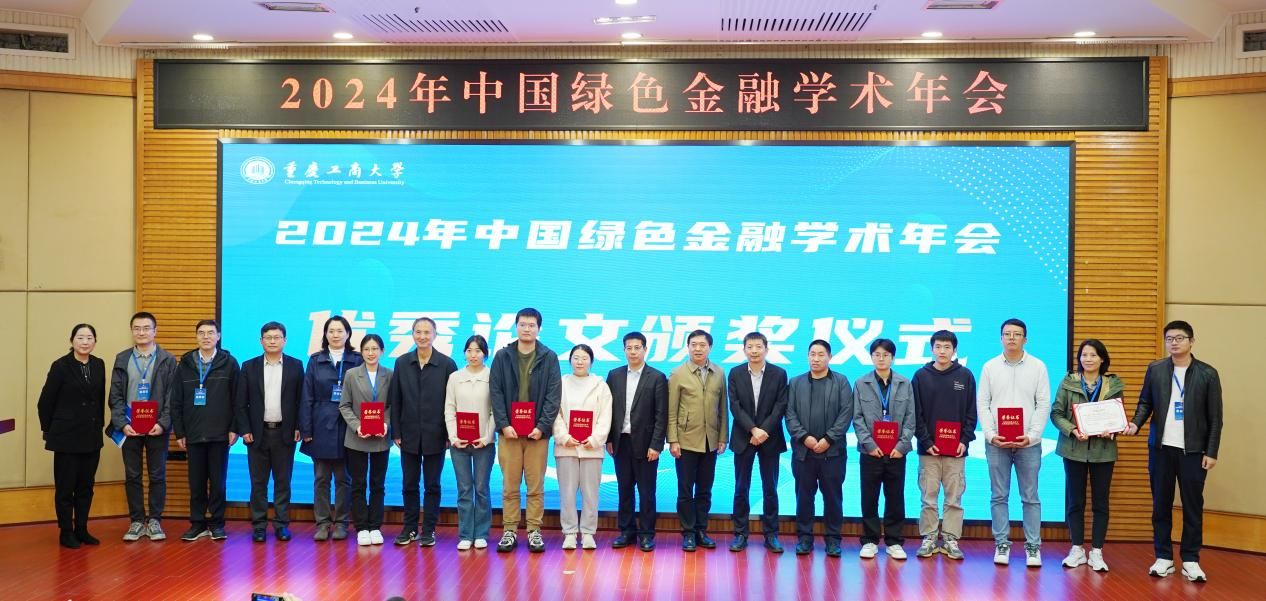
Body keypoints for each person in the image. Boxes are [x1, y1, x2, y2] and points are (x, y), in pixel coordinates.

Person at [1127, 320, 1222, 582]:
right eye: (1169, 338)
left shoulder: (1207, 373)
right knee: (1160, 504)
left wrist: (1211, 451)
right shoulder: (1156, 369)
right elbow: (1145, 403)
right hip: (1161, 449)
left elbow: (1215, 418)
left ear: (1191, 341)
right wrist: (1135, 423)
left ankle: (1190, 559)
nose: (1174, 343)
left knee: (1192, 506)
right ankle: (1164, 557)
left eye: (1180, 338)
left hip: (1194, 451)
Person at [977, 318, 1050, 567]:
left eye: (1016, 334)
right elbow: (983, 403)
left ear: (1025, 339)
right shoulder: (989, 367)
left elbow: (1043, 404)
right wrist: (990, 434)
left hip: (1029, 444)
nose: (1011, 338)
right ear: (1000, 338)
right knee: (999, 495)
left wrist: (1033, 435)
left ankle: (1033, 546)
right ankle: (1002, 543)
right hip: (996, 443)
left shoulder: (1038, 367)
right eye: (1007, 334)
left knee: (1030, 496)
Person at [490, 308, 561, 554]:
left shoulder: (549, 357)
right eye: (522, 324)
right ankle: (509, 530)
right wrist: (503, 424)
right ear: (516, 326)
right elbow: (495, 392)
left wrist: (542, 427)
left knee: (535, 486)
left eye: (531, 325)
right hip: (509, 433)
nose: (527, 329)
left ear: (539, 328)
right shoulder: (502, 356)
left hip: (537, 436)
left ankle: (534, 530)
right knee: (510, 486)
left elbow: (553, 395)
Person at [1051, 339, 1124, 572]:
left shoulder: (1113, 384)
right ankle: (1076, 549)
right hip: (1073, 450)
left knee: (1101, 502)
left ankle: (1097, 551)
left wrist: (1112, 430)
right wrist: (1072, 429)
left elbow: (1118, 417)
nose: (1088, 359)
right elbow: (1056, 413)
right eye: (1084, 355)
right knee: (1075, 501)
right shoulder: (1068, 382)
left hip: (1104, 452)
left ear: (1102, 359)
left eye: (1093, 355)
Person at [108, 311, 177, 543]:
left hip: (157, 427)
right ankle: (137, 521)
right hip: (130, 426)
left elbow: (172, 397)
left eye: (146, 328)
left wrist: (163, 423)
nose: (141, 332)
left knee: (157, 475)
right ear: (132, 331)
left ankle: (155, 520)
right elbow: (115, 396)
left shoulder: (167, 359)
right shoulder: (122, 358)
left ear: (155, 331)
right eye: (137, 328)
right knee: (133, 475)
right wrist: (122, 424)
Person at [388, 317, 457, 547]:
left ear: (435, 335)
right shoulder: (402, 363)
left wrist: (449, 434)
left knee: (432, 485)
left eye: (427, 332)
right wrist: (396, 432)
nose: (423, 336)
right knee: (409, 484)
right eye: (418, 332)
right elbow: (395, 399)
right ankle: (409, 528)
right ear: (412, 334)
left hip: (436, 434)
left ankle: (428, 530)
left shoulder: (446, 364)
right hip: (408, 434)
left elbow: (452, 403)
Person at [235, 321, 304, 543]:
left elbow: (301, 400)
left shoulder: (296, 365)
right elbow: (240, 402)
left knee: (283, 482)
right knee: (258, 483)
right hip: (257, 434)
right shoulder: (249, 366)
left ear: (285, 340)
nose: (272, 341)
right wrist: (244, 429)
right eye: (268, 337)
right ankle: (259, 526)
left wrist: (298, 426)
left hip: (285, 433)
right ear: (261, 341)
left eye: (277, 337)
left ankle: (282, 525)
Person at [172, 319, 241, 542]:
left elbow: (238, 400)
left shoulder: (229, 363)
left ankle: (217, 523)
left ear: (218, 336)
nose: (206, 337)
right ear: (196, 337)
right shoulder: (185, 364)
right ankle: (197, 523)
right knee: (196, 483)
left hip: (220, 433)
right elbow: (176, 401)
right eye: (201, 333)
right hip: (193, 433)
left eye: (211, 333)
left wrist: (234, 428)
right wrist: (180, 432)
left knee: (218, 482)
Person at [38, 323, 106, 549]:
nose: (85, 342)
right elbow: (45, 402)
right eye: (80, 337)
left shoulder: (99, 364)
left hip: (91, 437)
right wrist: (49, 431)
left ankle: (82, 529)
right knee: (66, 489)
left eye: (89, 338)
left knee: (86, 487)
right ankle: (66, 531)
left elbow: (99, 399)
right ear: (72, 341)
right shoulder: (61, 366)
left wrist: (99, 427)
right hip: (66, 438)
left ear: (95, 341)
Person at [911, 329, 977, 560]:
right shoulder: (921, 376)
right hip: (928, 450)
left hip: (956, 450)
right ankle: (929, 537)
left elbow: (971, 412)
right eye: (938, 347)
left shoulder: (965, 375)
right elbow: (915, 413)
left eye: (947, 347)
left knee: (954, 498)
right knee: (928, 497)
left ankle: (950, 539)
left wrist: (964, 440)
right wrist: (926, 441)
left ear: (954, 350)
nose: (942, 351)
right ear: (931, 349)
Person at [786, 339, 853, 557]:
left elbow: (846, 413)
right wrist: (804, 437)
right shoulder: (795, 383)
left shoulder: (841, 382)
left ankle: (833, 540)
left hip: (833, 453)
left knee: (833, 497)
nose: (816, 359)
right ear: (807, 356)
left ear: (830, 357)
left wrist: (829, 439)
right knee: (804, 497)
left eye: (821, 354)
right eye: (812, 354)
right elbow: (790, 414)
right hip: (803, 453)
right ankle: (805, 538)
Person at [299, 315, 362, 542]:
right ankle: (323, 523)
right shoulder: (316, 360)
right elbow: (306, 396)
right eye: (331, 331)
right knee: (321, 478)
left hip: (348, 424)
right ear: (325, 334)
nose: (335, 335)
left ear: (348, 334)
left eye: (340, 331)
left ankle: (342, 522)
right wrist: (306, 430)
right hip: (320, 425)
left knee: (344, 479)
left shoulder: (357, 359)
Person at [853, 338, 916, 560]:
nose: (881, 358)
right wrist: (869, 444)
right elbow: (857, 417)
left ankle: (894, 541)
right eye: (877, 355)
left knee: (895, 496)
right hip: (870, 452)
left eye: (886, 355)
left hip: (897, 451)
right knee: (869, 497)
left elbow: (910, 418)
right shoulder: (861, 383)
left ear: (893, 358)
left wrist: (902, 445)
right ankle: (870, 540)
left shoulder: (905, 383)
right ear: (871, 357)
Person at [606, 331, 668, 552]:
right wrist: (609, 439)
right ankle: (626, 531)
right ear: (624, 350)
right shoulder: (614, 375)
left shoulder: (657, 377)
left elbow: (661, 414)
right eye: (629, 348)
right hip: (621, 441)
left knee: (646, 492)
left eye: (637, 348)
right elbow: (608, 410)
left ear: (645, 349)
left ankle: (647, 534)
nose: (633, 352)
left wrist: (656, 445)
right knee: (624, 489)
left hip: (646, 444)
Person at [667, 329, 728, 552]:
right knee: (685, 490)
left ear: (710, 347)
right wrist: (673, 440)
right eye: (694, 344)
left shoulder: (719, 372)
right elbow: (671, 410)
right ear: (688, 347)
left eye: (702, 345)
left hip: (710, 441)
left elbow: (723, 408)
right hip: (685, 441)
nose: (698, 348)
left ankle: (701, 530)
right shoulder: (678, 373)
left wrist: (723, 437)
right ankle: (688, 532)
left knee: (704, 490)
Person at [727, 332, 788, 553]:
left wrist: (763, 431)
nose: (754, 351)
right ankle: (740, 533)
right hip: (743, 437)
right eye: (750, 347)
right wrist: (753, 429)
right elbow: (735, 406)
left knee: (770, 488)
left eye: (758, 346)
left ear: (766, 349)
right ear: (744, 350)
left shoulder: (779, 373)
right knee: (741, 488)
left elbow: (780, 406)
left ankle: (771, 535)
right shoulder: (735, 373)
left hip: (770, 438)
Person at [555, 344, 613, 551]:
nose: (580, 362)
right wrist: (564, 437)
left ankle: (588, 532)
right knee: (567, 493)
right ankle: (569, 533)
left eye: (584, 358)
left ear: (591, 361)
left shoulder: (601, 386)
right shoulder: (560, 383)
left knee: (590, 493)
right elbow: (555, 413)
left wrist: (595, 439)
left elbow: (606, 416)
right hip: (566, 447)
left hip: (592, 449)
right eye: (576, 357)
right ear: (570, 360)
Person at [340, 334, 393, 547]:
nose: (371, 353)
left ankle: (375, 526)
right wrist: (357, 426)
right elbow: (344, 405)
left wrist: (385, 424)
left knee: (378, 484)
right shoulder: (352, 374)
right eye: (367, 349)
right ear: (361, 352)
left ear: (382, 351)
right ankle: (361, 527)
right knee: (358, 484)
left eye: (375, 349)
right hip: (357, 438)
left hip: (381, 438)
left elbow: (393, 405)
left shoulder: (390, 374)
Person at [444, 335, 496, 551]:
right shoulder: (455, 377)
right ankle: (465, 534)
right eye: (469, 350)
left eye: (478, 351)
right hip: (460, 444)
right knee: (464, 489)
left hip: (484, 443)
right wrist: (453, 437)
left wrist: (487, 437)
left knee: (481, 488)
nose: (473, 355)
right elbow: (450, 408)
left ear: (485, 353)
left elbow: (495, 411)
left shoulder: (492, 376)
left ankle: (481, 533)